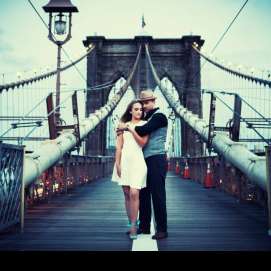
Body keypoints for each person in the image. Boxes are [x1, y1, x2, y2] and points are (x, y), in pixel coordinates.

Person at [117, 90, 168, 240]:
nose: (144, 106)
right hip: (144, 160)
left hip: (157, 159)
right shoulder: (146, 117)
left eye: (147, 102)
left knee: (158, 195)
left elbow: (143, 129)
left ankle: (162, 229)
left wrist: (126, 126)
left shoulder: (159, 116)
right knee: (144, 195)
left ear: (154, 101)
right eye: (143, 103)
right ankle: (144, 227)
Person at [112, 100, 149, 240]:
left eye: (141, 109)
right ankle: (132, 222)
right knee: (127, 194)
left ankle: (134, 225)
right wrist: (117, 164)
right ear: (130, 111)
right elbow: (119, 147)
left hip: (138, 162)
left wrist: (131, 129)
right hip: (124, 163)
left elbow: (143, 143)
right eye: (136, 109)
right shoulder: (122, 126)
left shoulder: (144, 125)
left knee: (134, 193)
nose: (139, 112)